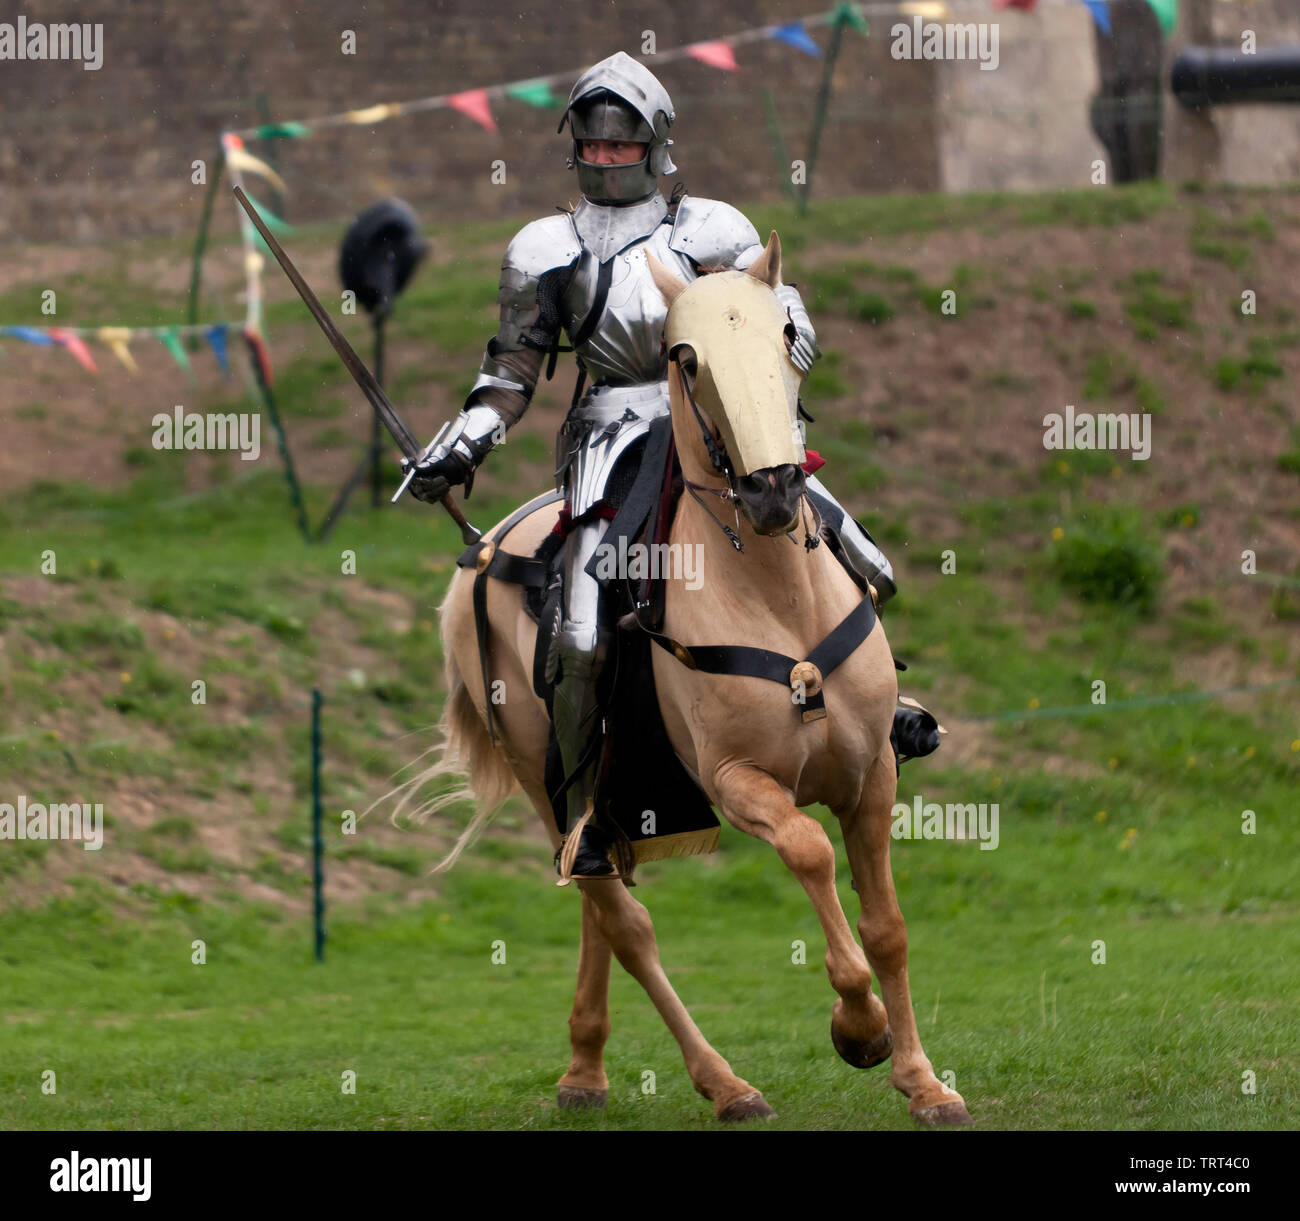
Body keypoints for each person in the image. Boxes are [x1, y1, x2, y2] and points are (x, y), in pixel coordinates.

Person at [406, 52, 938, 878]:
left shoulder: (713, 231)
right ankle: (589, 820)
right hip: (610, 438)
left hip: (718, 423)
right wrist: (464, 440)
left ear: (656, 148)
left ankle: (879, 706)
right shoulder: (544, 247)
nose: (607, 159)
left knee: (860, 554)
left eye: (623, 147)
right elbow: (510, 372)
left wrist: (770, 339)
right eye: (594, 146)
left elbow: (788, 319)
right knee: (579, 634)